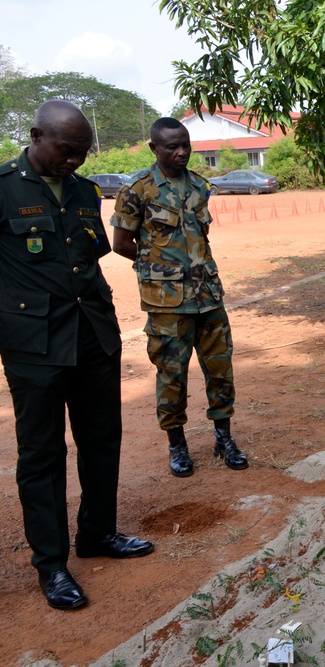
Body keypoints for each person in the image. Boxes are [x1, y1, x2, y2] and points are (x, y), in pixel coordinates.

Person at [0, 100, 154, 610]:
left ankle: (98, 535)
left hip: (92, 337)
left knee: (101, 439)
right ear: (36, 135)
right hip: (35, 346)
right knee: (42, 456)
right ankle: (51, 564)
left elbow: (89, 261)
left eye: (82, 154)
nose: (74, 163)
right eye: (67, 152)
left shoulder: (87, 194)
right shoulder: (3, 189)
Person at [111, 118, 248, 477]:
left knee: (221, 371)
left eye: (185, 144)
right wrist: (160, 269)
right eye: (172, 146)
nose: (181, 151)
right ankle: (177, 446)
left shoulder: (200, 186)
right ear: (155, 148)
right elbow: (122, 245)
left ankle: (224, 439)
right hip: (167, 305)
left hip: (209, 297)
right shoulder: (137, 190)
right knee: (171, 376)